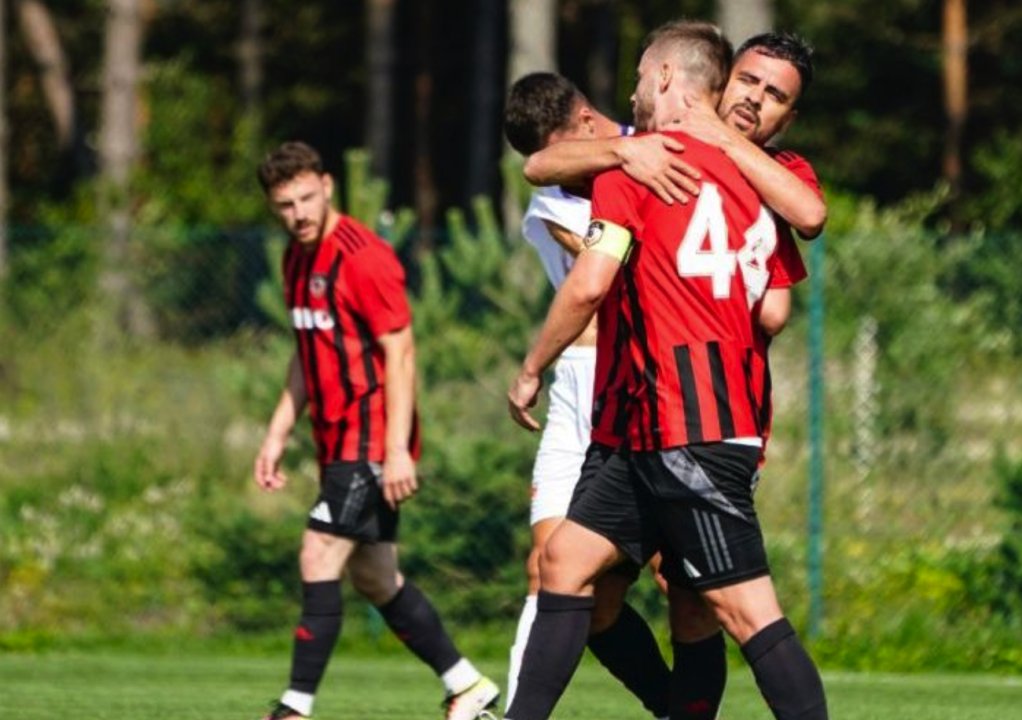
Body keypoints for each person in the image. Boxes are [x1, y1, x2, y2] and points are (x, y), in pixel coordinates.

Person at [505, 21, 829, 720]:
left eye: (775, 96)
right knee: (564, 567)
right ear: (719, 80)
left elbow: (591, 282)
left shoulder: (759, 173)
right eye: (747, 82)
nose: (756, 101)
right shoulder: (651, 158)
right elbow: (772, 309)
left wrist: (532, 366)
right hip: (642, 422)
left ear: (658, 81)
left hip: (694, 421)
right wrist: (633, 151)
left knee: (733, 611)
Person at [252, 141, 499, 720]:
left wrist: (395, 450)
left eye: (307, 198)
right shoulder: (295, 259)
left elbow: (401, 352)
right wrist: (276, 433)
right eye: (285, 205)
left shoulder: (363, 257)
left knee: (318, 555)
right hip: (336, 442)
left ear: (329, 186)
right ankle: (467, 686)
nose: (299, 213)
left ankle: (294, 708)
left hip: (369, 440)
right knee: (375, 576)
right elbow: (304, 354)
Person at [500, 73, 673, 720]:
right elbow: (543, 170)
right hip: (578, 393)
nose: (556, 176)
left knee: (682, 581)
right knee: (553, 571)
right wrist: (620, 153)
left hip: (649, 389)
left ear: (586, 119)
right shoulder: (556, 196)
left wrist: (628, 149)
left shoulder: (655, 151)